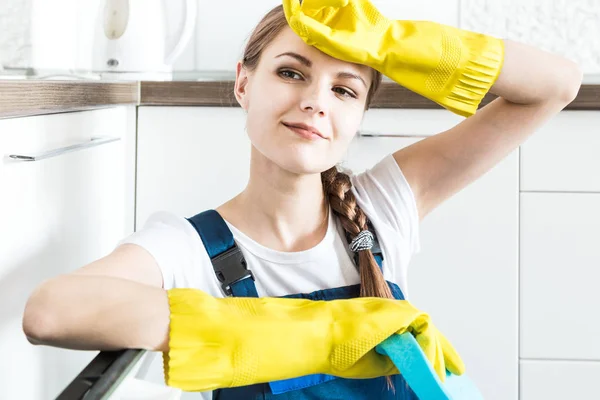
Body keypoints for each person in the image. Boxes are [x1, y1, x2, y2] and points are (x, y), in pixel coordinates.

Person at [22, 0, 582, 399]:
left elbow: (556, 85)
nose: (316, 102)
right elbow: (50, 311)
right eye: (291, 73)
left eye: (344, 89)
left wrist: (389, 41)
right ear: (243, 83)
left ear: (360, 116)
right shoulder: (188, 248)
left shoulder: (383, 208)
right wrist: (326, 334)